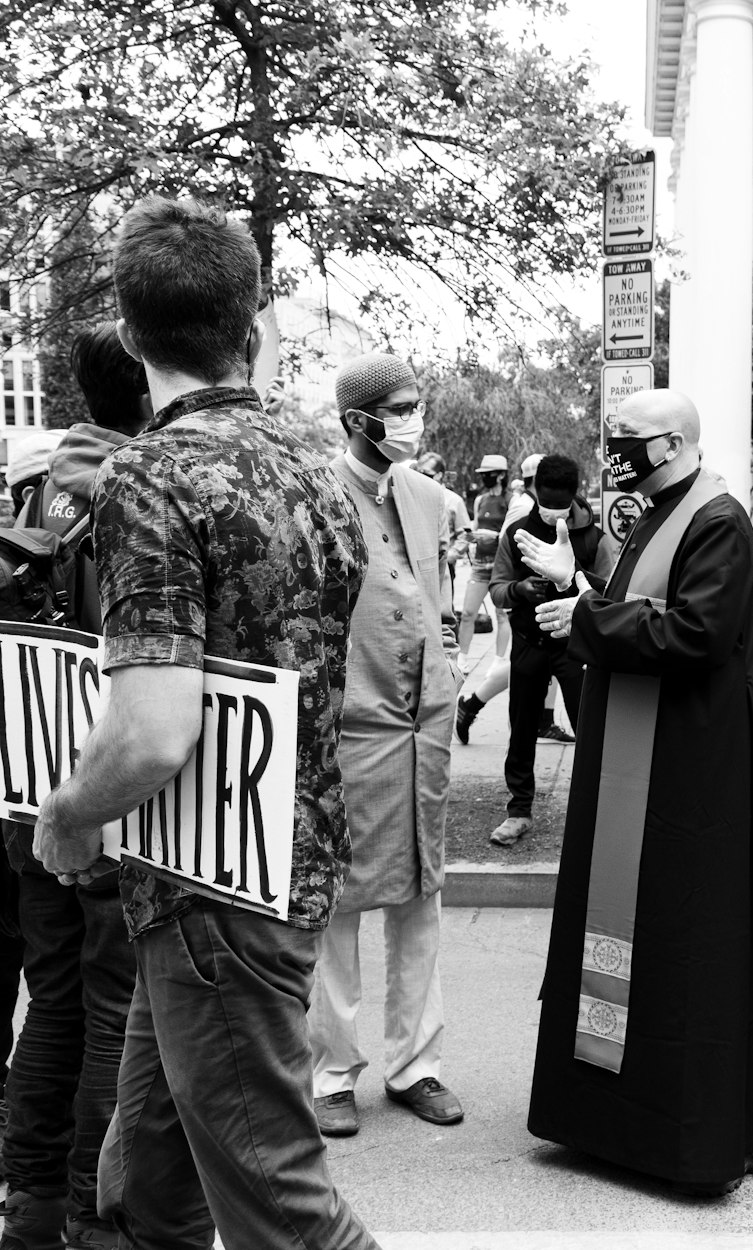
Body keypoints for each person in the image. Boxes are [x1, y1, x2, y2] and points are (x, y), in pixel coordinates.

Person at [32, 195, 378, 1250]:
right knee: (145, 1171)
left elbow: (150, 730)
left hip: (212, 894)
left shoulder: (148, 473)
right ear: (255, 317)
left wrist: (68, 811)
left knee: (282, 1207)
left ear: (131, 337)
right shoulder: (318, 458)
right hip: (274, 862)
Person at [519, 388, 753, 1194]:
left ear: (673, 442)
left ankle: (681, 1133)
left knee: (681, 933)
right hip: (644, 757)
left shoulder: (718, 518)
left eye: (629, 438)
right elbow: (643, 604)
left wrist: (586, 616)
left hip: (689, 764)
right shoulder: (657, 505)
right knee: (629, 925)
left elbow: (696, 633)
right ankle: (608, 1118)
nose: (615, 449)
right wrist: (581, 590)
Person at [0, 322, 149, 1250]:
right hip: (100, 798)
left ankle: (29, 1214)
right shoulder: (135, 492)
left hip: (25, 793)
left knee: (51, 998)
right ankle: (96, 1227)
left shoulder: (32, 485)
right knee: (111, 1012)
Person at [308, 352, 463, 1140]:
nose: (411, 418)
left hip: (424, 724)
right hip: (352, 725)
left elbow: (440, 603)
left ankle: (417, 1066)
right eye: (396, 408)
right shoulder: (316, 495)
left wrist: (451, 674)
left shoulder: (433, 498)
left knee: (421, 896)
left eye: (415, 404)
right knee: (337, 903)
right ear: (355, 420)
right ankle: (332, 1073)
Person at [485, 454, 614, 847]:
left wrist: (575, 578)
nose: (553, 510)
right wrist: (518, 590)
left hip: (576, 648)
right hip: (528, 642)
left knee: (591, 729)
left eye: (561, 502)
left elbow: (612, 591)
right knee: (521, 730)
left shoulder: (595, 537)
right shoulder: (517, 533)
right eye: (546, 500)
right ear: (533, 491)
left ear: (576, 494)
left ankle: (599, 811)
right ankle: (519, 811)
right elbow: (496, 587)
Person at [455, 451, 574, 745]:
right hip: (517, 591)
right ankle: (473, 703)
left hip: (553, 607)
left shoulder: (555, 509)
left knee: (551, 666)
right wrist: (518, 586)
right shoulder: (524, 506)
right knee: (525, 667)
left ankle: (544, 720)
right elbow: (508, 547)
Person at [457, 454, 512, 673]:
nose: (485, 478)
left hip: (502, 565)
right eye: (483, 475)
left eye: (489, 474)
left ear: (501, 475)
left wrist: (494, 537)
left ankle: (499, 660)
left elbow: (512, 532)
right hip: (480, 564)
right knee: (468, 613)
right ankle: (462, 656)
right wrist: (471, 536)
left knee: (502, 614)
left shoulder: (511, 500)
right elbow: (475, 528)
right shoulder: (480, 499)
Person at [415, 451, 471, 612]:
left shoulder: (454, 501)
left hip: (442, 566)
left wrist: (450, 557)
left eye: (427, 474)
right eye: (419, 473)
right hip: (417, 563)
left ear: (440, 475)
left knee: (443, 612)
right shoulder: (412, 496)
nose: (421, 476)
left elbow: (466, 535)